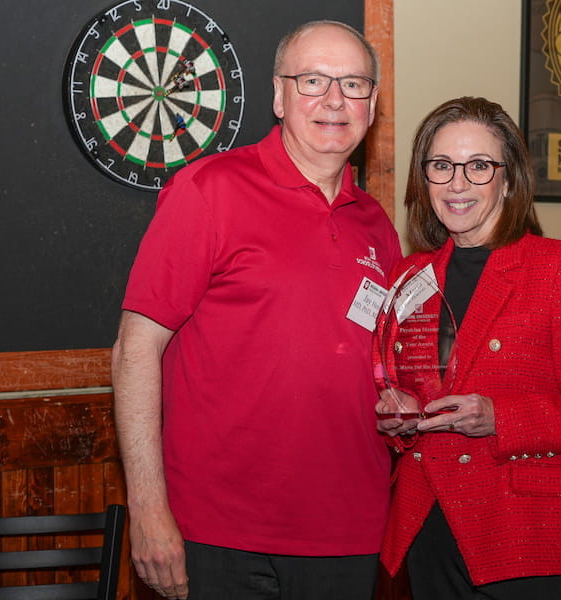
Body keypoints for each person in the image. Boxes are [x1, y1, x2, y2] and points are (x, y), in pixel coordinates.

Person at [111, 20, 402, 600]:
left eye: (354, 83)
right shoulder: (209, 190)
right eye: (313, 80)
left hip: (350, 531)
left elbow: (365, 365)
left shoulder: (378, 226)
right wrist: (147, 510)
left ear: (373, 103)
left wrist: (397, 404)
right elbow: (134, 350)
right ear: (277, 94)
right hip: (221, 533)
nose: (334, 100)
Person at [375, 96, 561, 600]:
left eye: (478, 166)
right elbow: (408, 390)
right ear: (423, 177)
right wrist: (398, 419)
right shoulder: (409, 277)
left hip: (527, 533)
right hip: (431, 524)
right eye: (441, 165)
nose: (457, 183)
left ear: (509, 178)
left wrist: (500, 417)